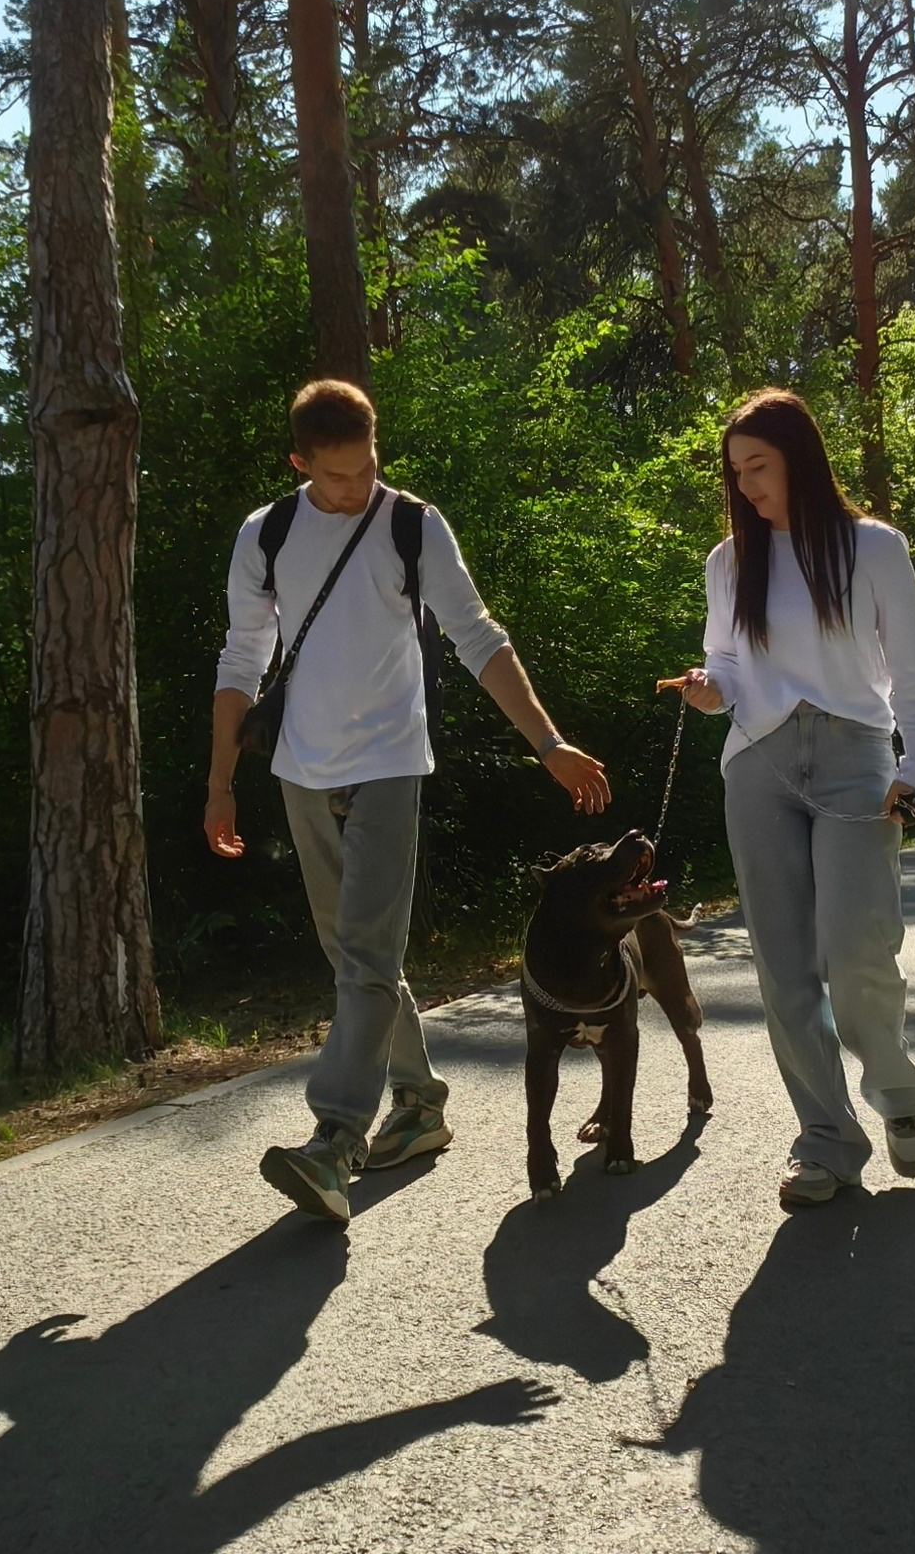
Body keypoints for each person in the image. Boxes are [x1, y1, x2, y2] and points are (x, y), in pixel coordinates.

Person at [206, 378, 610, 1224]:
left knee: (362, 948)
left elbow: (477, 635)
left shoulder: (411, 524)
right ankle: (420, 1103)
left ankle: (334, 1141)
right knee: (351, 953)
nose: (358, 488)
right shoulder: (267, 533)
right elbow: (243, 657)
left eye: (369, 467)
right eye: (340, 477)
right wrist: (220, 784)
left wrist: (548, 742)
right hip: (299, 768)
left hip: (391, 761)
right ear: (301, 462)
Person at [659, 388, 915, 1210]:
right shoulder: (728, 562)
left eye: (759, 467)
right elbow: (728, 667)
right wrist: (709, 688)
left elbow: (913, 672)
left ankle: (897, 1092)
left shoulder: (873, 549)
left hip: (857, 758)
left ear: (801, 459)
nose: (746, 486)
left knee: (857, 951)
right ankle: (826, 1142)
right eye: (735, 472)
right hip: (758, 765)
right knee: (784, 970)